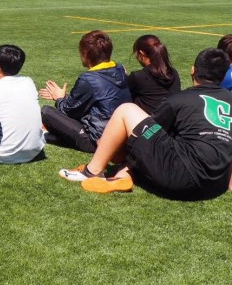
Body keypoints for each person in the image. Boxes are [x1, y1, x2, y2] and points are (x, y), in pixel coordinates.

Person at [59, 48, 232, 199]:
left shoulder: (179, 100)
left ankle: (92, 171)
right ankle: (124, 175)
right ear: (224, 75)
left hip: (179, 178)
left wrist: (113, 146)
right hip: (215, 185)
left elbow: (148, 133)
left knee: (126, 110)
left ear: (193, 69)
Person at [39, 30, 131, 153]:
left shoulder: (89, 79)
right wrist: (65, 97)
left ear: (85, 54)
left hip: (99, 140)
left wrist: (59, 98)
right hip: (123, 135)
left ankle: (47, 136)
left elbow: (68, 111)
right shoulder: (120, 69)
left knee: (46, 112)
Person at [127, 35, 181, 114]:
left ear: (141, 53)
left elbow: (123, 96)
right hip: (173, 119)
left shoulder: (137, 77)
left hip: (151, 121)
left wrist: (123, 77)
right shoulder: (173, 72)